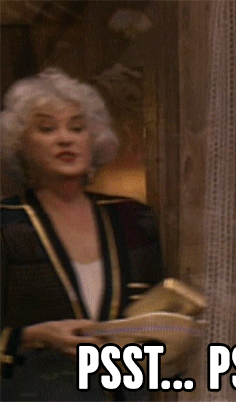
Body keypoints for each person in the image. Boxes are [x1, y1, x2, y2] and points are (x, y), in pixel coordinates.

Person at [0, 68, 164, 401]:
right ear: (20, 144)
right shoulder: (7, 223)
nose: (66, 139)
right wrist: (33, 336)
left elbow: (157, 312)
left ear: (95, 139)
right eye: (47, 128)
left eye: (77, 127)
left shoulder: (132, 217)